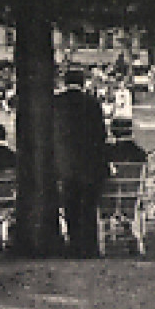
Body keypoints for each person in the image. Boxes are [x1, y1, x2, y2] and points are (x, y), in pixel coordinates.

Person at [52, 68, 109, 258]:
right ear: (83, 82)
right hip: (89, 163)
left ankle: (74, 244)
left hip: (66, 163)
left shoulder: (56, 103)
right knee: (88, 206)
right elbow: (101, 136)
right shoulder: (92, 104)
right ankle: (89, 246)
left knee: (71, 206)